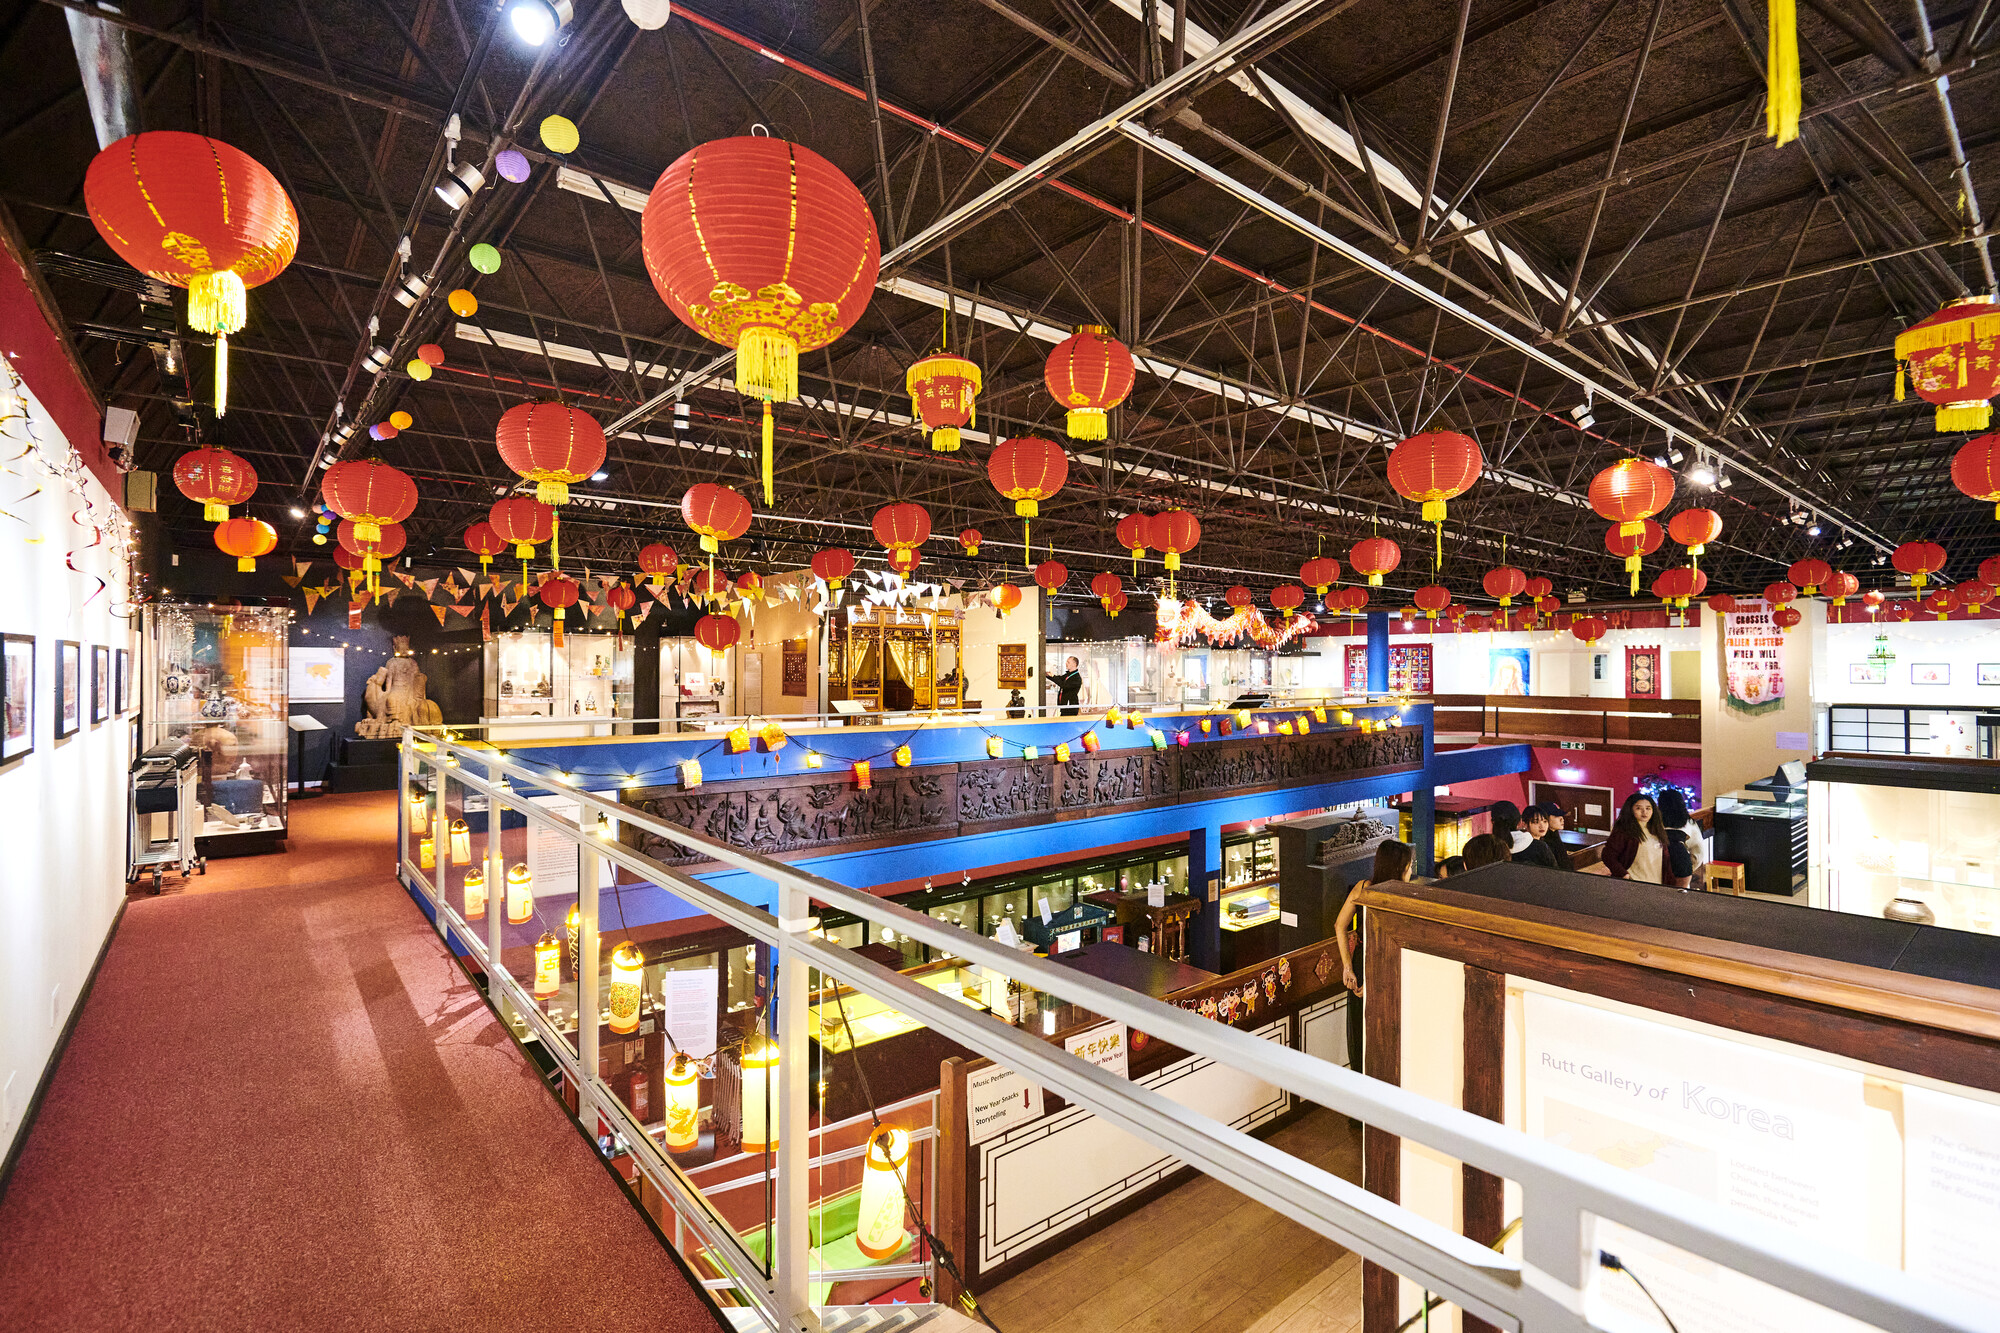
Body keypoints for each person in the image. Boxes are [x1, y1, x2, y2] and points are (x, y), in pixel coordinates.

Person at [1334, 839, 1414, 999]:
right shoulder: (1402, 898)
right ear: (1400, 869)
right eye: (1410, 866)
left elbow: (1339, 925)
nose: (1411, 871)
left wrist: (1348, 967)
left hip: (1361, 960)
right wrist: (1375, 979)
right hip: (1387, 965)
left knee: (1359, 1018)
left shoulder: (1362, 887)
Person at [1602, 792, 1678, 884]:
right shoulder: (1624, 831)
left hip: (1657, 884)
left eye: (1648, 808)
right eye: (1638, 808)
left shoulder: (1657, 830)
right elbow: (1608, 855)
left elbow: (1665, 861)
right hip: (1634, 884)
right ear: (1630, 810)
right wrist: (1623, 874)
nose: (1644, 812)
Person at [1656, 789, 1706, 888]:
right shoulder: (1689, 823)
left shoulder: (1655, 823)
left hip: (1657, 870)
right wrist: (1689, 867)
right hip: (1682, 870)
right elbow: (1699, 852)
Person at [1493, 800, 1559, 870]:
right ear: (1522, 823)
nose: (1541, 826)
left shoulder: (1494, 847)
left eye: (1545, 821)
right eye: (1535, 822)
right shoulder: (1541, 847)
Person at [1534, 802, 1575, 871]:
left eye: (1561, 816)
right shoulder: (1544, 842)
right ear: (1545, 818)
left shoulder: (1555, 836)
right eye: (1557, 816)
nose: (1562, 819)